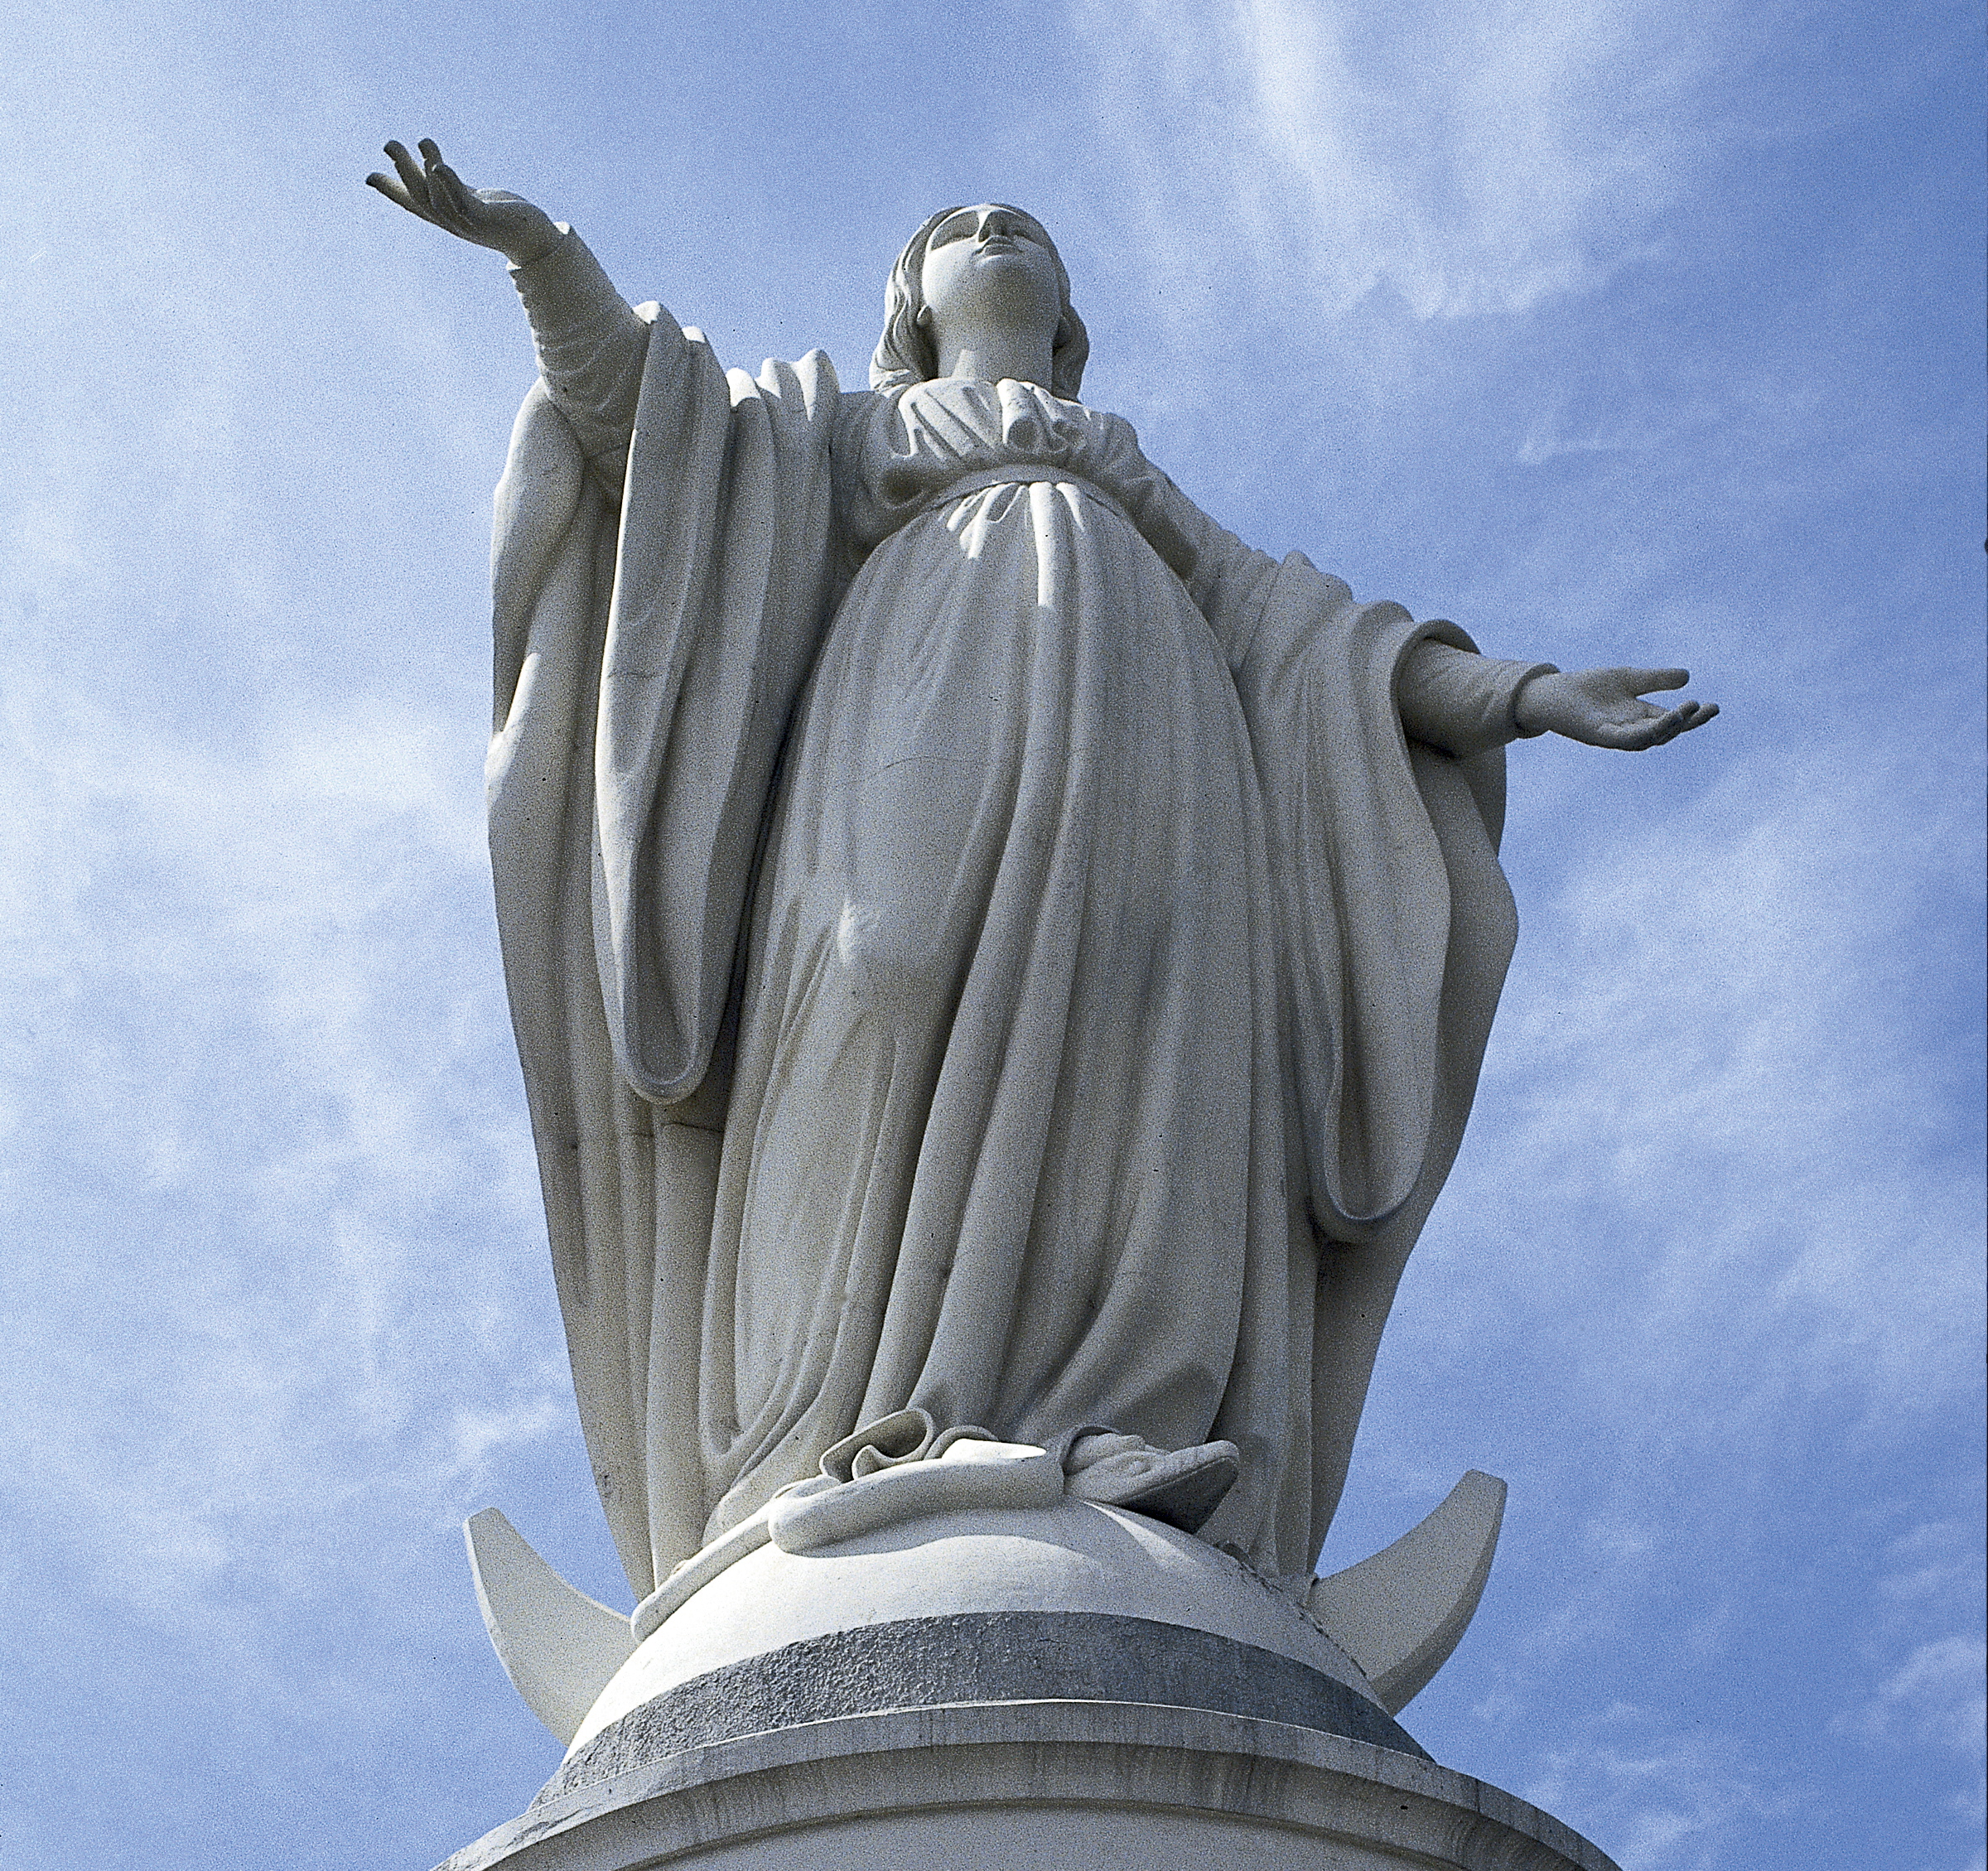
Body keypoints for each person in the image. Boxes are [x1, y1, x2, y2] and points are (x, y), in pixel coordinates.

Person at [372, 142, 1715, 1611]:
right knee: (873, 977)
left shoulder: (1127, 469)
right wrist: (538, 253)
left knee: (1146, 1049)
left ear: (1068, 314)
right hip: (915, 689)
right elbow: (652, 417)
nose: (991, 225)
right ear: (914, 300)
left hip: (1160, 751)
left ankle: (1121, 1424)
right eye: (954, 225)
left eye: (1018, 224)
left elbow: (1312, 643)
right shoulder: (844, 427)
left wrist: (1520, 692)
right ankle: (838, 1429)